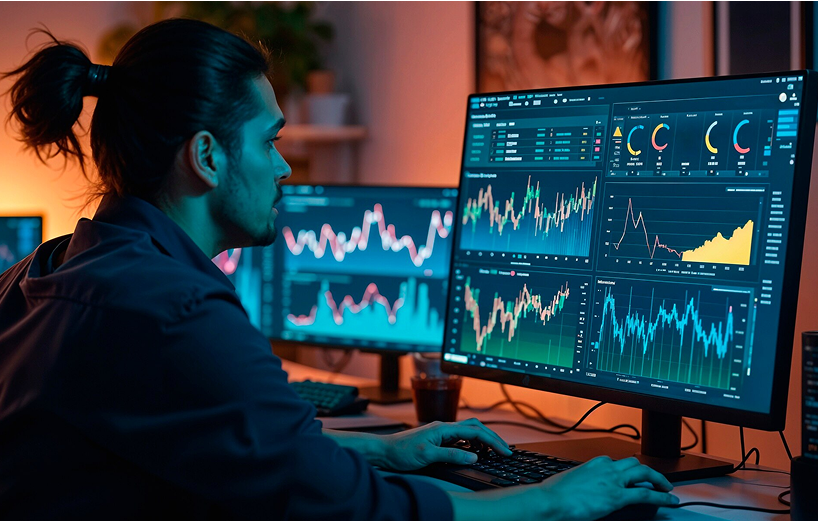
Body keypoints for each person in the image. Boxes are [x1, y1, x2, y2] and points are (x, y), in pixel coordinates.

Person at [0, 18, 678, 521]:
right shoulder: (174, 309)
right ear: (206, 156)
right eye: (270, 140)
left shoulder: (51, 268)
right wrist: (555, 498)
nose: (284, 166)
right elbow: (360, 514)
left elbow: (232, 444)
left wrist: (384, 450)